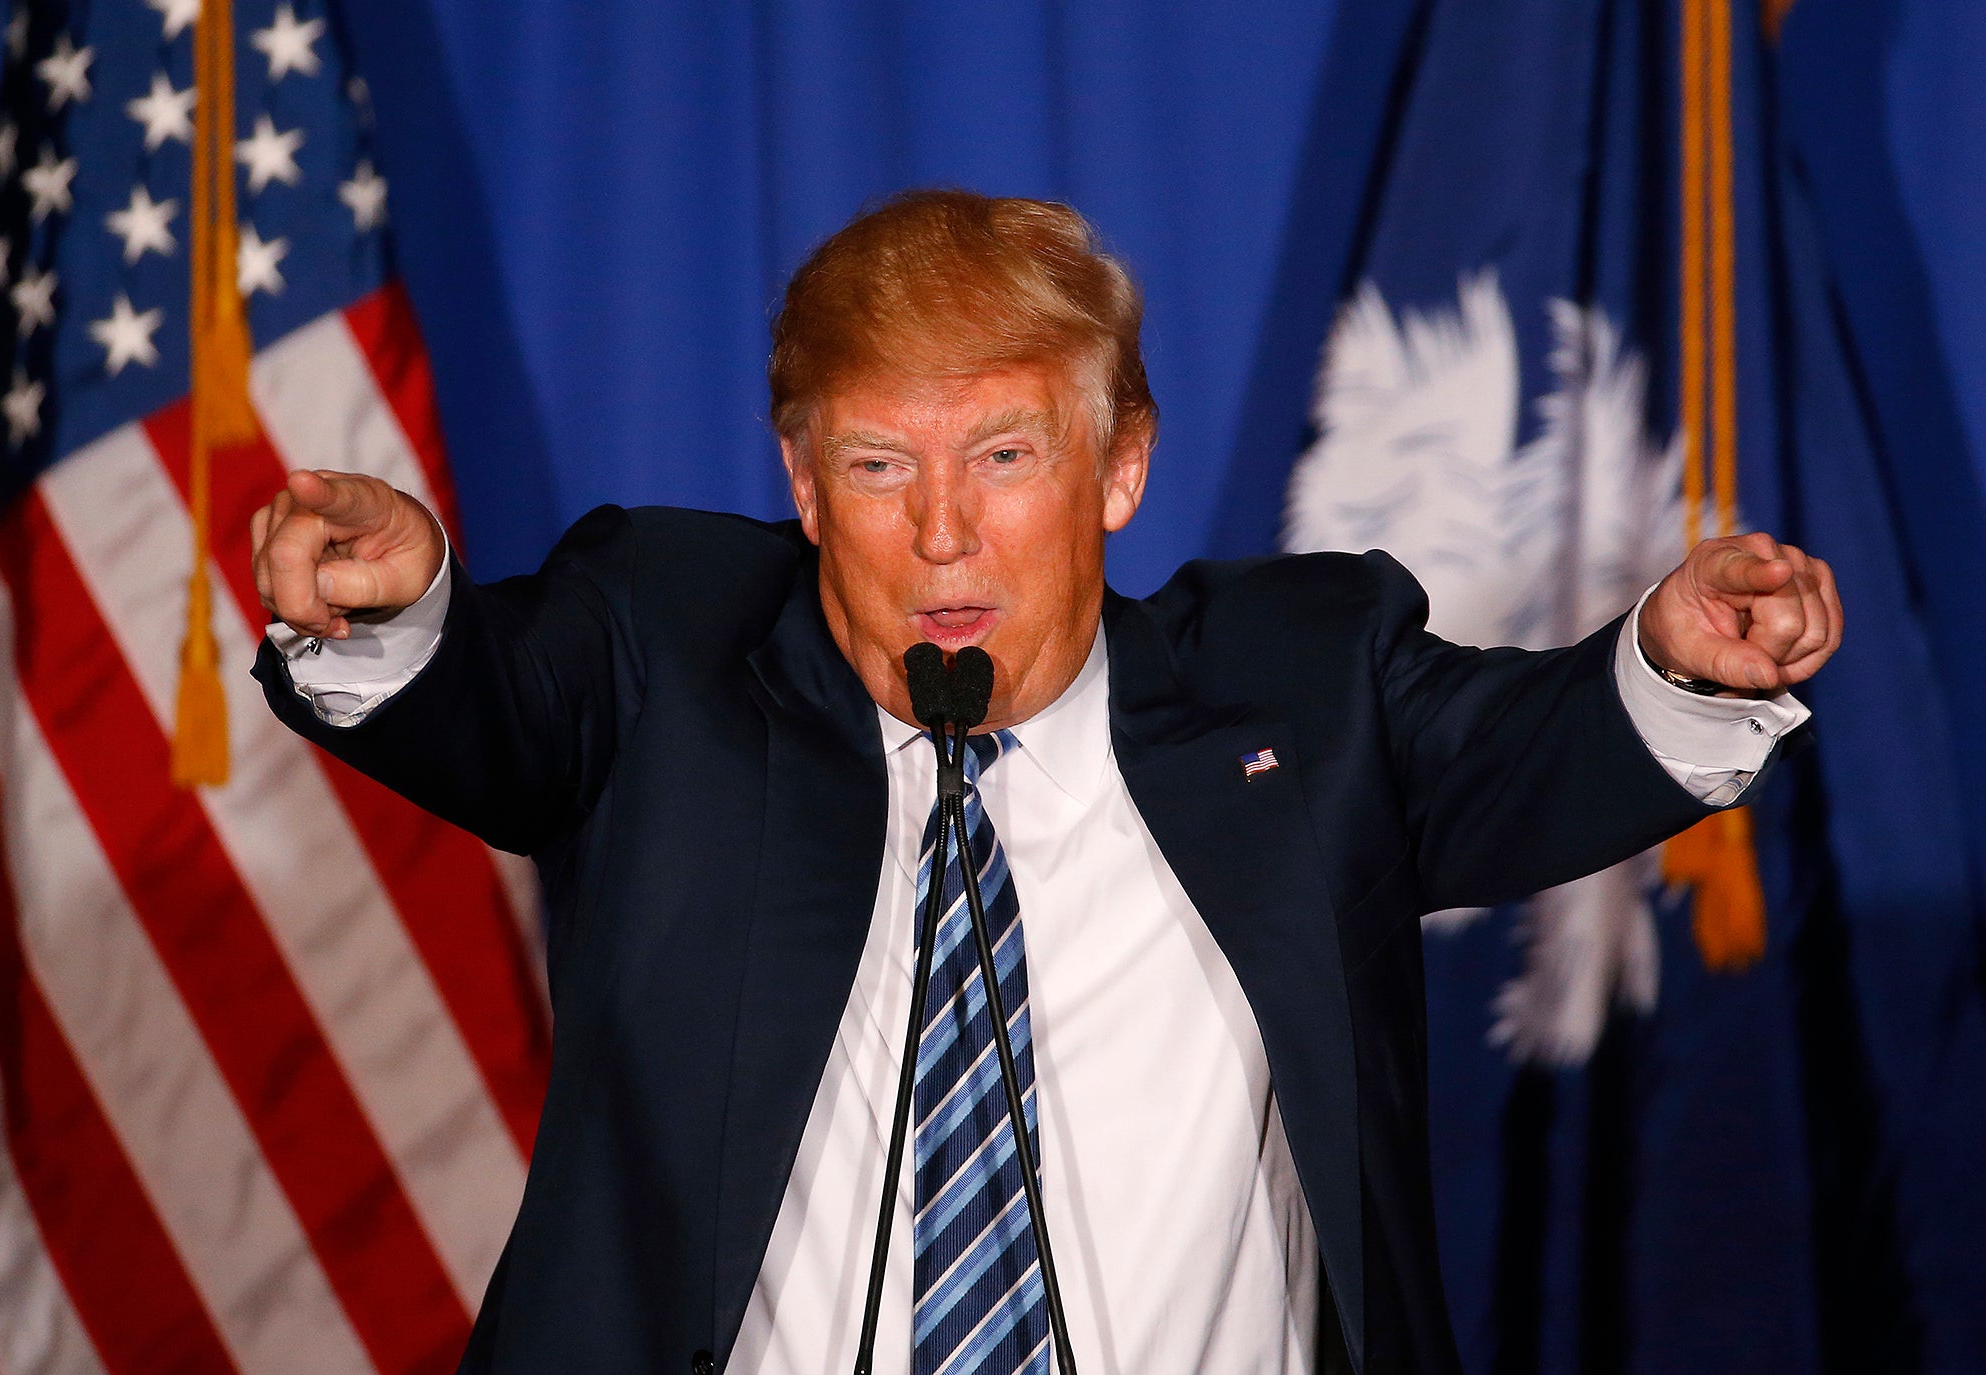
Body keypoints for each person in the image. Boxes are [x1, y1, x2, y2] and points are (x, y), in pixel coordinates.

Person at [251, 190, 1841, 1375]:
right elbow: (496, 702)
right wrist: (400, 618)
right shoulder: (666, 655)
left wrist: (1686, 663)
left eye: (1004, 456)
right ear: (804, 481)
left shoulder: (1300, 686)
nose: (942, 533)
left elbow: (1538, 749)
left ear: (1120, 465)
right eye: (879, 466)